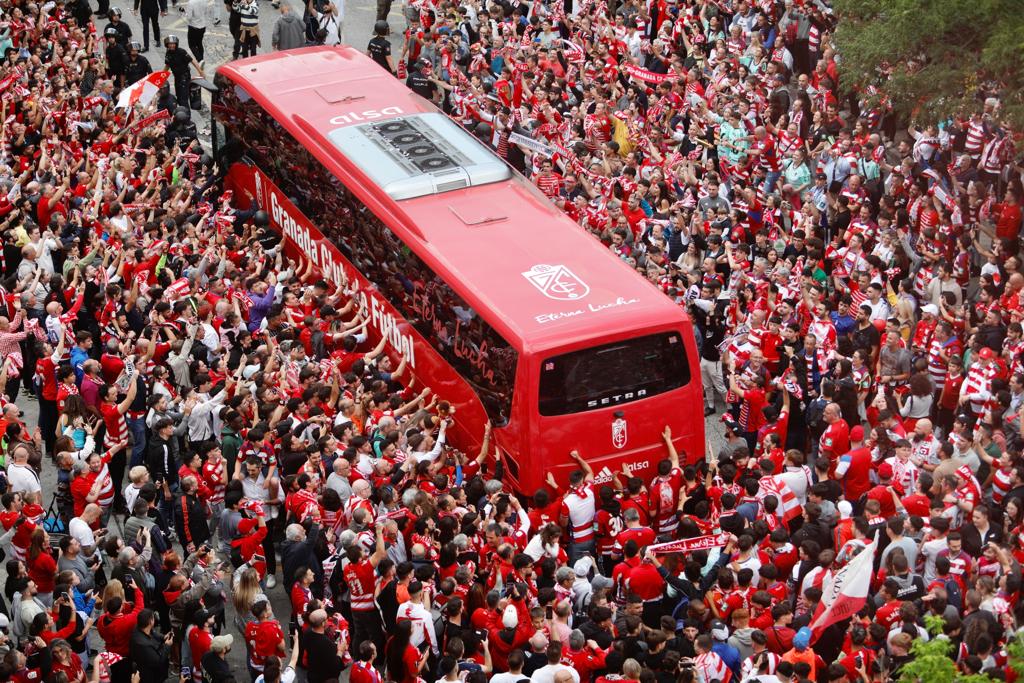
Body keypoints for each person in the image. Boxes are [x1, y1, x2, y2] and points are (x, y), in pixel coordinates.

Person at [304, 609, 346, 683]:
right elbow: (335, 667)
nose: (328, 619)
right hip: (324, 679)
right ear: (323, 623)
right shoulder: (326, 643)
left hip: (312, 675)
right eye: (327, 618)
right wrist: (340, 651)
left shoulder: (307, 632)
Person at [130, 609, 171, 682]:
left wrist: (163, 637)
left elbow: (153, 632)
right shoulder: (143, 645)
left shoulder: (140, 627)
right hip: (151, 675)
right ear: (150, 622)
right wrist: (167, 645)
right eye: (153, 618)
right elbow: (158, 661)